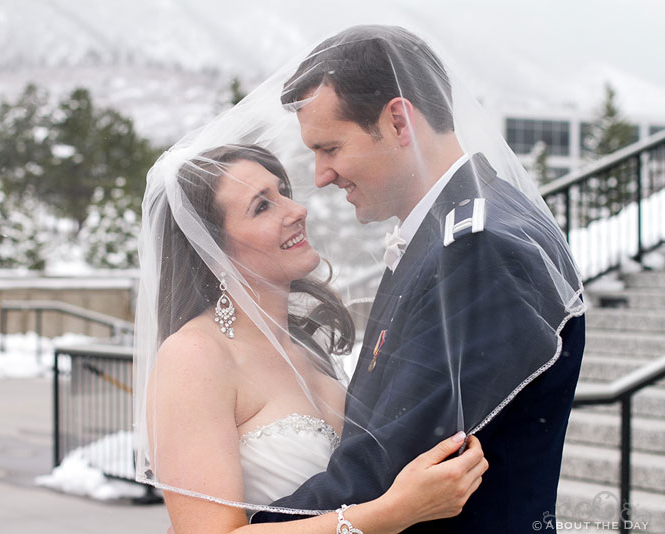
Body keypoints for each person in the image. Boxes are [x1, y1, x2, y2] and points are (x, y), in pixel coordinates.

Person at [248, 26, 586, 532]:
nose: (320, 175)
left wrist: (243, 527)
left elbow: (389, 464)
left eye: (330, 148)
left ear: (399, 121)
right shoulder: (466, 226)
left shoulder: (478, 248)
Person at [136, 143, 488, 533]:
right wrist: (396, 510)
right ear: (212, 250)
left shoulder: (305, 347)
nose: (296, 210)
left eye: (283, 192)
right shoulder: (195, 356)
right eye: (262, 205)